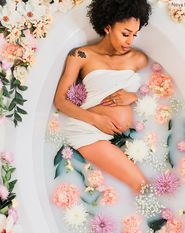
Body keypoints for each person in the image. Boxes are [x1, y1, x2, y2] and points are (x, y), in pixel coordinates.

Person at [54, 0, 152, 193]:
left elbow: (150, 91)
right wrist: (97, 120)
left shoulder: (139, 59)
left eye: (134, 34)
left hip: (116, 132)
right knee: (141, 185)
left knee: (142, 185)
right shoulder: (81, 56)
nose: (130, 41)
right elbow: (60, 101)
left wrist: (133, 97)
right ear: (108, 27)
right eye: (125, 33)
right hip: (88, 131)